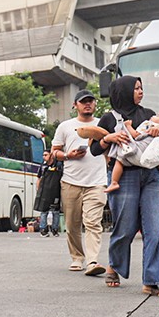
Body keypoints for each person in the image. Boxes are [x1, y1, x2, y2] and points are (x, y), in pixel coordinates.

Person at [92, 76, 159, 298]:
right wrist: (108, 138)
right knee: (125, 227)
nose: (141, 92)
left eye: (142, 87)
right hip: (124, 176)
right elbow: (94, 149)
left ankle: (151, 281)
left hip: (152, 176)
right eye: (136, 88)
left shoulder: (148, 114)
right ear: (124, 91)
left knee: (155, 228)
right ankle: (115, 266)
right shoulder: (109, 118)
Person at [50, 89, 106, 275]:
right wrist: (68, 155)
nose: (87, 104)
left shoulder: (102, 125)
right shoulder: (65, 127)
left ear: (95, 104)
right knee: (72, 224)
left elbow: (110, 149)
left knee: (93, 222)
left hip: (96, 182)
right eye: (83, 101)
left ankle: (92, 261)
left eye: (91, 101)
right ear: (75, 105)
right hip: (71, 182)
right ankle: (77, 257)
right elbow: (54, 152)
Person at [104, 111, 159, 193]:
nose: (153, 115)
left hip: (139, 152)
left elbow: (137, 135)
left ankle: (114, 182)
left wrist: (128, 126)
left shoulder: (148, 124)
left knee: (120, 160)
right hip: (151, 154)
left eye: (157, 115)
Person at [36, 150, 61, 237]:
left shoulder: (58, 165)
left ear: (51, 155)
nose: (44, 157)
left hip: (55, 191)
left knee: (55, 211)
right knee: (44, 211)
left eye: (46, 155)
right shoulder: (43, 167)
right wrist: (38, 189)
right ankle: (43, 229)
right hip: (44, 191)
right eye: (43, 155)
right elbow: (39, 178)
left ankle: (55, 229)